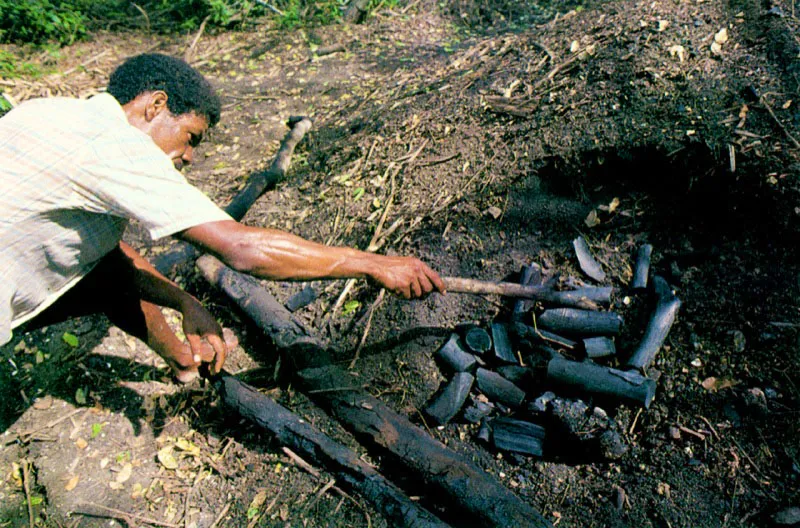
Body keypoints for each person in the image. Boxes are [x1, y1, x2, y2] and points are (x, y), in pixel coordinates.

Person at [0, 53, 445, 382]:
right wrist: (372, 262)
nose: (189, 156)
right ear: (155, 106)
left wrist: (185, 302)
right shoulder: (117, 145)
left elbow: (106, 259)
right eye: (190, 137)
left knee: (107, 278)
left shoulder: (47, 111)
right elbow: (243, 248)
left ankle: (182, 364)